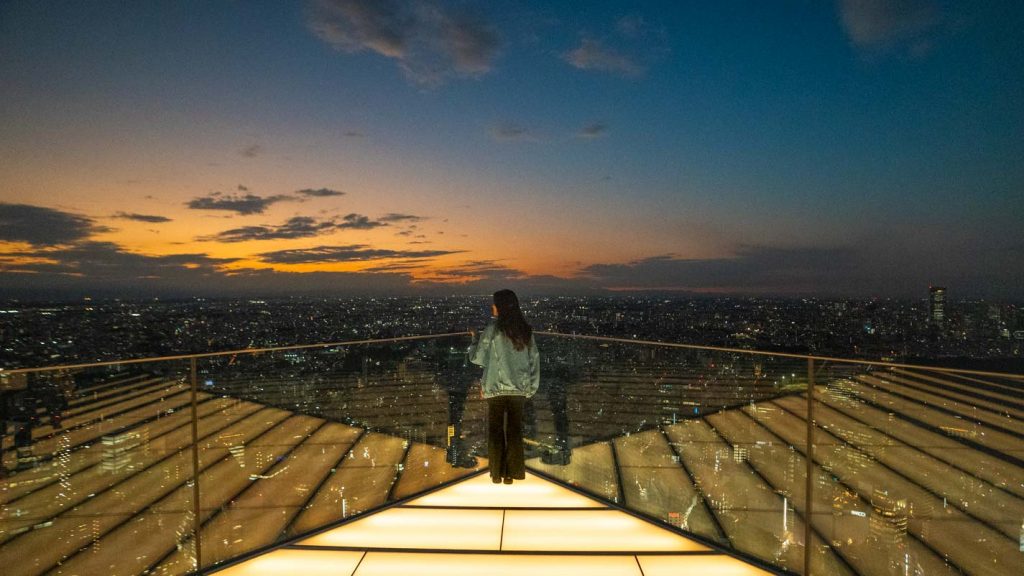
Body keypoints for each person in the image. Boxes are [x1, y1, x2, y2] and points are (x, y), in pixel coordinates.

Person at [470, 289, 540, 484]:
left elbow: (477, 358)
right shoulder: (525, 330)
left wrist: (474, 340)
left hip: (495, 388)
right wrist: (531, 388)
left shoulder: (493, 329)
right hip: (520, 389)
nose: (492, 307)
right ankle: (512, 473)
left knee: (495, 431)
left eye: (494, 304)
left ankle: (496, 474)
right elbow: (534, 360)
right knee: (515, 432)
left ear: (499, 307)